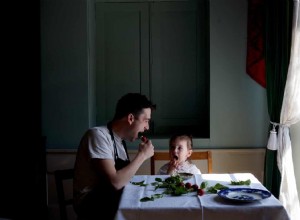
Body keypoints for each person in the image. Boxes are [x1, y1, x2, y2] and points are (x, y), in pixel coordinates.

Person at [73, 93, 156, 220]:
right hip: (91, 206)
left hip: (114, 200)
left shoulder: (120, 141)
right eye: (146, 121)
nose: (147, 127)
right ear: (130, 118)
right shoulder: (97, 136)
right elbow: (115, 182)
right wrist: (142, 155)